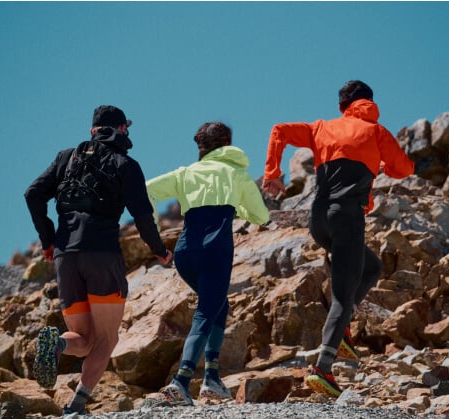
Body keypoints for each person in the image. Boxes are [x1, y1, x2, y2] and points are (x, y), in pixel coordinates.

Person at [261, 80, 414, 397]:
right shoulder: (377, 133)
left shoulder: (321, 127)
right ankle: (323, 369)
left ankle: (341, 329)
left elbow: (279, 130)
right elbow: (404, 169)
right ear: (370, 103)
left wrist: (273, 173)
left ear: (342, 107)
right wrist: (381, 164)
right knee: (343, 297)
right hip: (347, 219)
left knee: (370, 268)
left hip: (318, 221)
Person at [25, 105, 172, 415]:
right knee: (106, 338)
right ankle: (76, 405)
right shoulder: (126, 164)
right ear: (122, 129)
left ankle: (57, 344)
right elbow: (143, 217)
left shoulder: (66, 158)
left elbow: (33, 193)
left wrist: (48, 240)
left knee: (83, 339)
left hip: (65, 257)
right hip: (102, 254)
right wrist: (159, 250)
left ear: (92, 131)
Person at [146, 122, 269, 405]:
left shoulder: (185, 173)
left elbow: (146, 190)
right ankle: (181, 381)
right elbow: (261, 216)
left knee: (217, 306)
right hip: (216, 252)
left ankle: (212, 378)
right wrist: (237, 208)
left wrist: (153, 231)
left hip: (184, 253)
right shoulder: (235, 174)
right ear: (226, 144)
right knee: (206, 311)